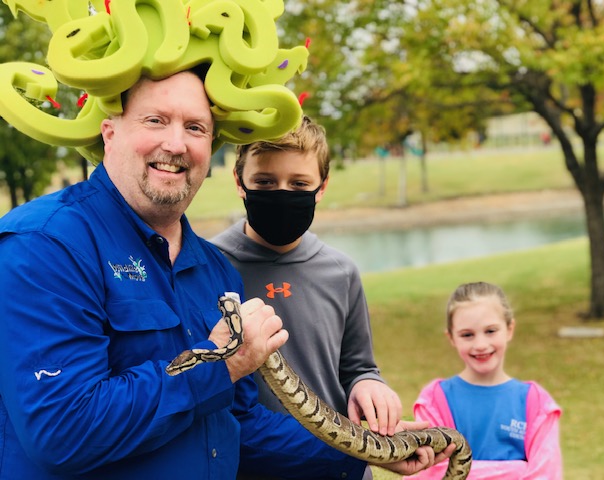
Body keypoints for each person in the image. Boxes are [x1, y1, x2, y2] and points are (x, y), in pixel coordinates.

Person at [0, 71, 454, 480]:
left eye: (195, 128)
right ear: (110, 132)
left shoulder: (216, 271)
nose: (176, 144)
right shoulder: (46, 243)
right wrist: (222, 360)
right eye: (155, 120)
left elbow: (240, 427)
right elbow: (62, 430)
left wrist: (369, 450)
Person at [212, 116, 404, 479]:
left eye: (298, 183)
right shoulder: (209, 267)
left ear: (322, 187)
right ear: (240, 181)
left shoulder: (341, 271)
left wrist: (370, 385)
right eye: (265, 182)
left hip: (339, 467)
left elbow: (358, 366)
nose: (282, 193)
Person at [404, 282, 563, 480]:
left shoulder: (536, 402)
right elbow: (429, 473)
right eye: (467, 335)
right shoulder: (435, 399)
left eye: (490, 331)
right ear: (451, 338)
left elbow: (546, 474)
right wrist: (518, 470)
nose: (480, 345)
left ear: (510, 329)